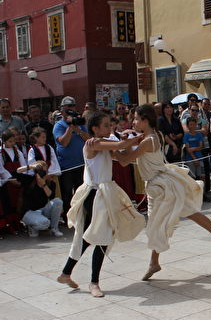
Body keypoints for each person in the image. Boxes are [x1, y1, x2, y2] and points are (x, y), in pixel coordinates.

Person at [116, 105, 211, 281]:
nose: (133, 121)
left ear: (145, 120)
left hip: (161, 186)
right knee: (179, 215)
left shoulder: (148, 140)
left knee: (158, 223)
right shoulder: (153, 136)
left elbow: (124, 161)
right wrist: (128, 140)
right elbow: (131, 151)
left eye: (136, 118)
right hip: (160, 184)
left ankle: (154, 262)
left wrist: (107, 150)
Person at [56, 113, 145, 297]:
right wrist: (140, 136)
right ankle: (93, 282)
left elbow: (122, 157)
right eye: (105, 125)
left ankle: (66, 272)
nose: (109, 127)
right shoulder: (93, 143)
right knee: (101, 236)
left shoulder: (106, 142)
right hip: (95, 195)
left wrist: (129, 141)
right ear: (95, 128)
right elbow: (118, 146)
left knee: (92, 236)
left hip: (104, 194)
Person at [53, 96, 89, 211]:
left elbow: (88, 139)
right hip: (67, 166)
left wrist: (78, 130)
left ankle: (82, 213)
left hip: (81, 164)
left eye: (73, 106)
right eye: (68, 107)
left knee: (82, 191)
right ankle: (68, 215)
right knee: (67, 193)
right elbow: (64, 142)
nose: (71, 109)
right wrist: (70, 127)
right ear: (62, 110)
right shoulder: (59, 125)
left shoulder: (79, 123)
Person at [19, 160, 63, 237]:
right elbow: (16, 172)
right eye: (40, 171)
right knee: (45, 223)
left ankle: (54, 228)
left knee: (58, 201)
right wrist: (31, 166)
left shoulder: (51, 183)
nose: (43, 173)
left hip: (42, 210)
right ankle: (32, 226)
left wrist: (43, 184)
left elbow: (51, 197)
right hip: (29, 212)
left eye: (45, 171)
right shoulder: (29, 180)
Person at [0, 128, 27, 231]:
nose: (12, 143)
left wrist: (21, 178)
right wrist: (10, 179)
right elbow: (1, 168)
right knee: (9, 203)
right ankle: (10, 224)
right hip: (9, 183)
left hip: (18, 180)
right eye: (10, 141)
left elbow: (23, 165)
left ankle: (18, 222)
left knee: (18, 202)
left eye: (13, 141)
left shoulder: (17, 151)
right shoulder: (0, 153)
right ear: (4, 141)